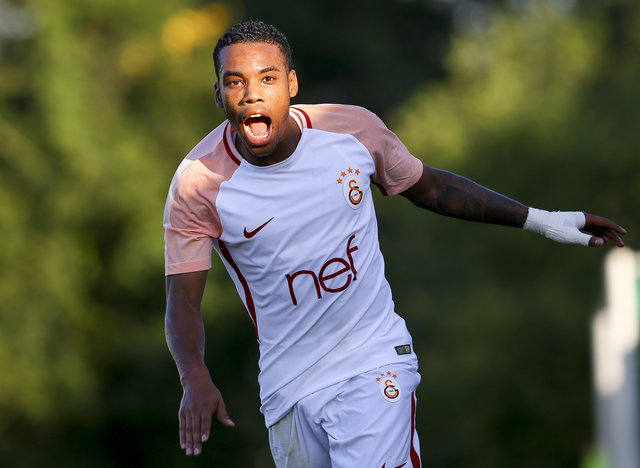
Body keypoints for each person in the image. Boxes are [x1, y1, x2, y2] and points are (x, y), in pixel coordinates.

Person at [163, 20, 626, 467]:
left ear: (292, 84)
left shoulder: (351, 130)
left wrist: (542, 220)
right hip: (289, 388)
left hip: (374, 361)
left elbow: (431, 188)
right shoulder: (198, 183)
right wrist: (193, 375)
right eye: (236, 82)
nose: (252, 93)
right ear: (219, 94)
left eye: (267, 78)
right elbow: (182, 301)